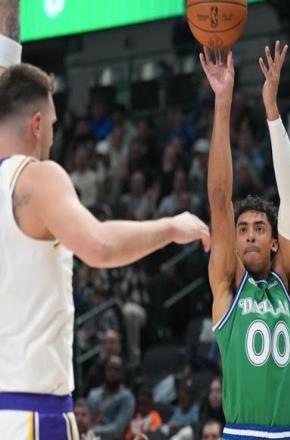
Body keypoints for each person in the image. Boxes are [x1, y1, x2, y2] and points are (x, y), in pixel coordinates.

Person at [0, 63, 210, 438]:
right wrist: (170, 227)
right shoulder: (38, 177)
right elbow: (99, 246)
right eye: (52, 124)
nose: (53, 137)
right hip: (33, 412)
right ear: (37, 125)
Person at [201, 41, 290, 439]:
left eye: (259, 228)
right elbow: (218, 197)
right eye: (242, 229)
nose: (248, 236)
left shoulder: (289, 284)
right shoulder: (228, 286)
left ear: (275, 242)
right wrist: (223, 100)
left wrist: (272, 111)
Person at [87, 355, 135, 439]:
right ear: (105, 370)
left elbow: (118, 429)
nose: (113, 373)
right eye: (110, 368)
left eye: (117, 370)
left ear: (122, 373)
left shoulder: (127, 398)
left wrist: (93, 430)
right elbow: (86, 421)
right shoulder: (93, 395)